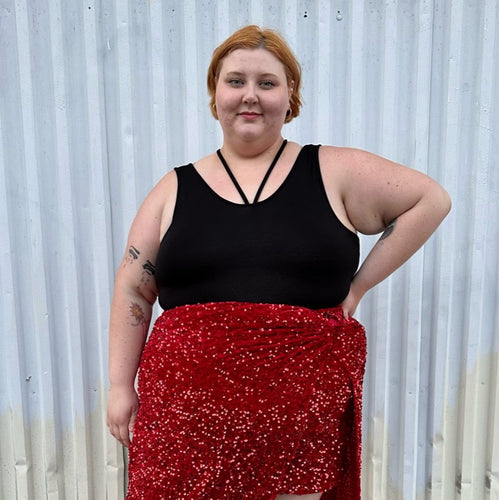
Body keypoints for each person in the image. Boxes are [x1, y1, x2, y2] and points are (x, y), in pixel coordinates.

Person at [106, 25, 451, 500]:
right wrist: (120, 387)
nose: (250, 95)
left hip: (297, 419)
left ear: (290, 96)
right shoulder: (173, 188)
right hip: (184, 421)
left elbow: (430, 200)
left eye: (267, 83)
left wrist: (358, 287)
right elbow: (133, 289)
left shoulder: (335, 170)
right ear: (215, 94)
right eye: (236, 81)